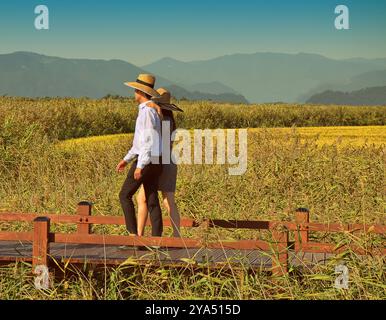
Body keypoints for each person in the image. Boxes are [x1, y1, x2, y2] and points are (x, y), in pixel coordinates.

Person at [116, 74, 164, 238]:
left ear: (139, 91)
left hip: (148, 161)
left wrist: (139, 166)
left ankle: (133, 235)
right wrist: (126, 159)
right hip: (154, 160)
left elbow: (147, 142)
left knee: (124, 195)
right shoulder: (150, 111)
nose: (134, 93)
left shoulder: (147, 113)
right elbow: (139, 143)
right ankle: (157, 239)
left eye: (135, 90)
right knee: (151, 200)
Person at [136, 88, 184, 238]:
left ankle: (139, 235)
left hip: (157, 161)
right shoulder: (170, 120)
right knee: (168, 199)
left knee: (142, 198)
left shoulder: (159, 119)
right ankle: (177, 236)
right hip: (169, 161)